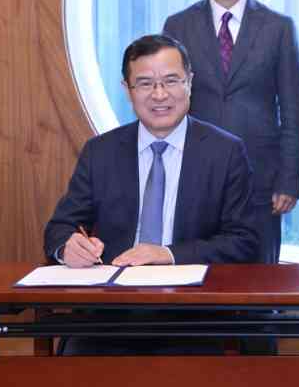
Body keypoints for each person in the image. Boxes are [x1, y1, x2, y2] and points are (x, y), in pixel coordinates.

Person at [44, 34, 257, 269]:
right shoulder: (100, 152)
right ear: (127, 90)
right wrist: (68, 247)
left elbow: (243, 241)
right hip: (114, 285)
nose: (159, 95)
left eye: (171, 81)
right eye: (145, 84)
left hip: (190, 287)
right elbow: (59, 228)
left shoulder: (226, 152)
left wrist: (168, 254)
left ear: (189, 83)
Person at [163, 0, 299, 264]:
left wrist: (289, 180)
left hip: (261, 180)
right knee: (194, 273)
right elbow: (166, 104)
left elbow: (294, 110)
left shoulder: (278, 27)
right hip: (193, 175)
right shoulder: (178, 26)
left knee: (260, 278)